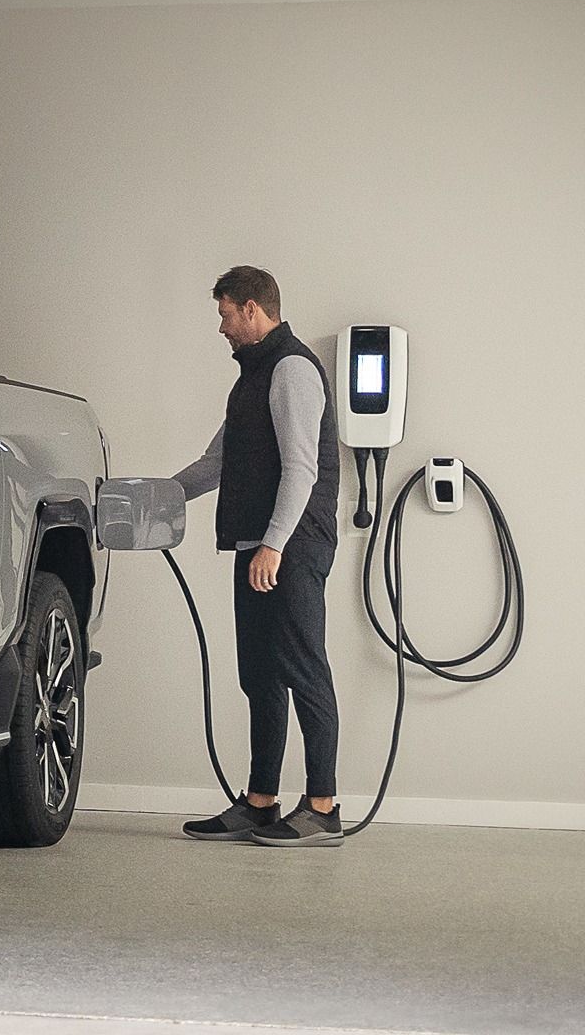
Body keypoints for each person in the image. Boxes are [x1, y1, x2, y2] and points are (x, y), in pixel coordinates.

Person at [175, 266, 346, 847]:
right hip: (259, 546)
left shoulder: (292, 369)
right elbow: (215, 465)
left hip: (291, 545)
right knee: (260, 678)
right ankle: (260, 801)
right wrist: (152, 495)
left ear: (251, 309)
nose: (221, 328)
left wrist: (273, 545)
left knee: (303, 668)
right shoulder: (251, 378)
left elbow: (302, 468)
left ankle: (322, 804)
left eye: (224, 314)